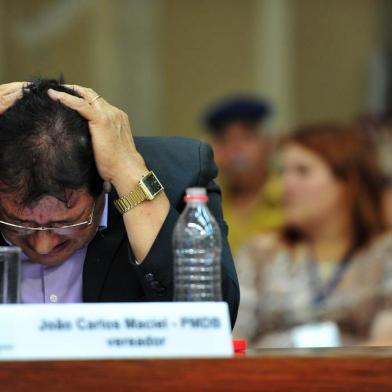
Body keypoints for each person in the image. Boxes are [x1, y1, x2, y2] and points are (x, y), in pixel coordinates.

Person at [0, 79, 239, 327]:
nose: (43, 246)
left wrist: (129, 175)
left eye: (67, 223)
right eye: (18, 224)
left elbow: (211, 321)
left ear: (104, 185)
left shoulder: (180, 174)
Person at [234, 123, 392, 346]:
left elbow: (387, 343)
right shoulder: (260, 253)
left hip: (358, 378)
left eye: (302, 171)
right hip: (268, 376)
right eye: (282, 172)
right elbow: (231, 337)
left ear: (347, 183)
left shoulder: (384, 254)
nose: (285, 184)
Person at [203, 96, 284, 255]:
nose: (236, 149)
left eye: (247, 137)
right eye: (224, 140)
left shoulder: (291, 196)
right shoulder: (207, 204)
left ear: (269, 143)